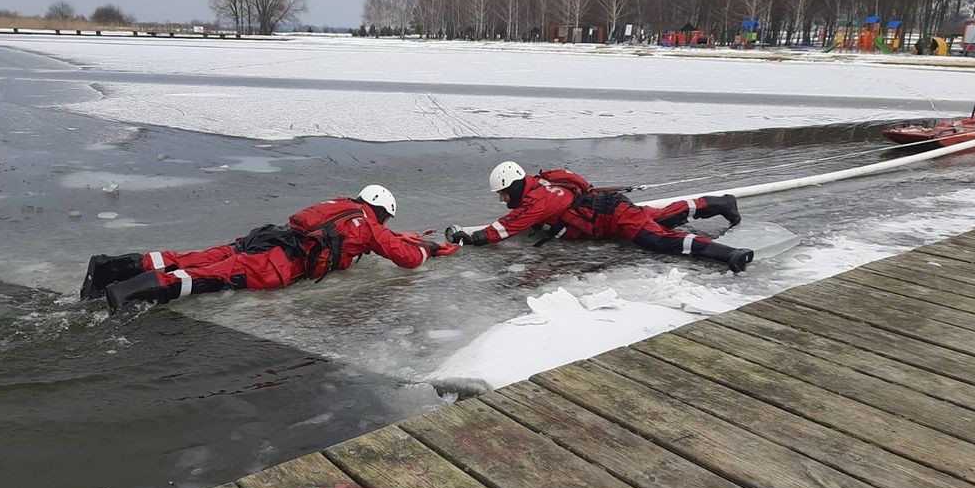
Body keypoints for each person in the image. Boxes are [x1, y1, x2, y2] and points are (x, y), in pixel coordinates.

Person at [82, 185, 459, 311]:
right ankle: (127, 294)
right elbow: (405, 258)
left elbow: (363, 237)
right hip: (276, 261)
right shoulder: (369, 226)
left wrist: (404, 235)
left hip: (265, 237)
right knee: (207, 277)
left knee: (194, 258)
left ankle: (110, 267)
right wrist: (427, 249)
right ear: (381, 212)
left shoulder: (340, 205)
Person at [446, 161, 754, 272]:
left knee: (655, 237)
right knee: (660, 216)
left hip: (611, 215)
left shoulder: (538, 199)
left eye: (502, 193)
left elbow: (508, 227)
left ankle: (727, 254)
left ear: (512, 187)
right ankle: (718, 202)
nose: (501, 200)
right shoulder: (537, 190)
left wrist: (472, 238)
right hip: (605, 215)